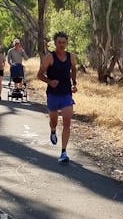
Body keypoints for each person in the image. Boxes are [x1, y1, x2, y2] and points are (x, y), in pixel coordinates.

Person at [37, 31, 77, 163]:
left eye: (64, 42)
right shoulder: (50, 57)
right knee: (54, 120)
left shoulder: (71, 57)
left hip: (66, 94)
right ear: (55, 43)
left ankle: (64, 152)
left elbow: (74, 70)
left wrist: (74, 84)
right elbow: (40, 75)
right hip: (53, 94)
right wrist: (50, 82)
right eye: (59, 42)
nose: (61, 45)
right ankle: (53, 130)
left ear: (67, 43)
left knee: (67, 123)